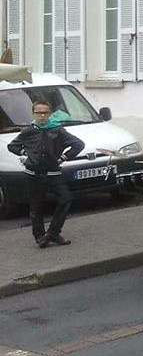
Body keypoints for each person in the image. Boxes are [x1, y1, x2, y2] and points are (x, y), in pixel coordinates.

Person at [8, 100, 83, 248]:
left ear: (49, 113)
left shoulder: (58, 130)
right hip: (33, 174)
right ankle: (40, 237)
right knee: (36, 207)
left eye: (45, 112)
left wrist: (64, 157)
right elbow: (12, 146)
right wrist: (26, 153)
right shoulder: (28, 131)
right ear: (33, 113)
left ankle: (53, 233)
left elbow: (78, 144)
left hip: (53, 173)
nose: (42, 116)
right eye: (38, 112)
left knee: (66, 198)